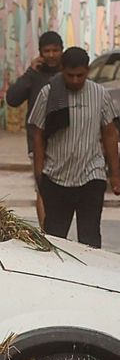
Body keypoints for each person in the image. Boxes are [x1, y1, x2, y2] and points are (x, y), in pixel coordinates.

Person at [28, 46, 120, 248]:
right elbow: (38, 134)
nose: (75, 80)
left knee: (89, 240)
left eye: (80, 75)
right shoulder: (49, 93)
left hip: (91, 174)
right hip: (56, 177)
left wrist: (115, 175)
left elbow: (110, 133)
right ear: (62, 70)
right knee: (54, 239)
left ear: (87, 71)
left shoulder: (100, 94)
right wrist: (39, 174)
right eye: (70, 75)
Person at [6, 30, 64, 226]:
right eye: (47, 50)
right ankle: (47, 233)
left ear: (61, 51)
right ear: (40, 52)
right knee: (42, 188)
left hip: (66, 141)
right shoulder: (35, 75)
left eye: (55, 50)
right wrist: (30, 73)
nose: (51, 55)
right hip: (38, 142)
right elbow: (12, 99)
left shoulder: (69, 73)